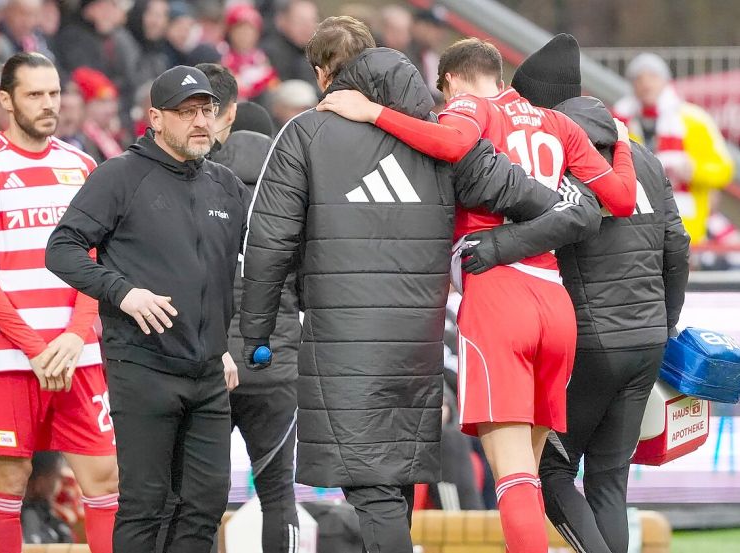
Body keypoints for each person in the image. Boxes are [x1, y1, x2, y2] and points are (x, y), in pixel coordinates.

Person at [240, 17, 601, 553]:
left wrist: (256, 333)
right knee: (395, 483)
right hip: (419, 342)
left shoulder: (305, 133)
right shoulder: (442, 138)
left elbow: (268, 243)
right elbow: (551, 205)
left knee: (376, 491)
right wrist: (500, 245)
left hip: (344, 342)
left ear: (323, 74)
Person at [317, 37, 639, 553]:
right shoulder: (557, 123)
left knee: (513, 479)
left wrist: (373, 111)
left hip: (499, 296)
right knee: (531, 472)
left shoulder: (470, 106)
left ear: (450, 80)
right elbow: (620, 198)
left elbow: (450, 144)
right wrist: (621, 143)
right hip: (555, 303)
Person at [45, 65, 247, 553]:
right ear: (155, 118)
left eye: (206, 111)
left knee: (205, 505)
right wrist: (122, 292)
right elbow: (61, 248)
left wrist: (222, 343)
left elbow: (233, 271)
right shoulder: (120, 175)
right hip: (143, 366)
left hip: (208, 374)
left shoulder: (225, 184)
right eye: (186, 112)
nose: (200, 121)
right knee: (144, 505)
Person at [509, 35, 691, 553]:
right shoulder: (642, 157)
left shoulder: (553, 158)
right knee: (609, 481)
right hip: (646, 340)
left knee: (549, 470)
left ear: (539, 103)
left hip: (589, 343)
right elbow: (677, 247)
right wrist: (663, 323)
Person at [0, 52, 118, 553]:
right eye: (34, 95)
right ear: (5, 100)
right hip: (9, 358)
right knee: (8, 481)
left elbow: (93, 263)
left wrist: (74, 335)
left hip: (76, 354)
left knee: (105, 478)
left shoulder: (82, 166)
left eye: (54, 93)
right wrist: (35, 348)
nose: (49, 105)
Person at [202, 63, 301, 553]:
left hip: (212, 364)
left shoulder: (199, 189)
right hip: (276, 365)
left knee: (200, 496)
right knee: (278, 493)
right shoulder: (293, 195)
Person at [614, 52, 734, 244]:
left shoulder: (694, 120)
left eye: (652, 76)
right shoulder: (619, 121)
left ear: (665, 80)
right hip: (636, 229)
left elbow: (724, 169)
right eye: (639, 78)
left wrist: (693, 171)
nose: (646, 84)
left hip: (686, 227)